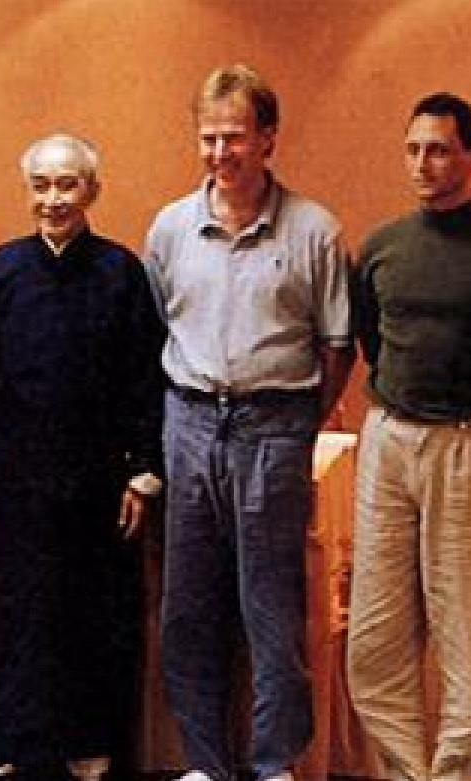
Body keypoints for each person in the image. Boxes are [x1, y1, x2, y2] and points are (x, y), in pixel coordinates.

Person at [144, 64, 354, 781]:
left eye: (234, 137)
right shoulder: (171, 228)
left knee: (270, 608)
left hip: (274, 426)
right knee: (187, 608)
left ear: (268, 137)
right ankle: (206, 763)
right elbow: (158, 329)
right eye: (208, 137)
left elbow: (337, 345)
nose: (219, 152)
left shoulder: (314, 230)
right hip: (189, 423)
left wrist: (297, 423)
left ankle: (272, 764)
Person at [346, 93, 471, 781]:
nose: (422, 164)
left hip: (469, 445)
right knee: (374, 639)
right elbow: (372, 341)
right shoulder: (382, 247)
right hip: (389, 440)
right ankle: (407, 771)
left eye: (438, 150)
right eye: (413, 150)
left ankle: (456, 772)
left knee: (462, 632)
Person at [0, 133, 165, 781]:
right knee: (18, 610)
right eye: (41, 185)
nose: (53, 199)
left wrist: (144, 470)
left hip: (98, 480)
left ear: (91, 190)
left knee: (93, 613)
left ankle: (89, 744)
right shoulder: (2, 269)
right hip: (14, 478)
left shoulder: (122, 272)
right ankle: (16, 743)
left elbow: (146, 378)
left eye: (67, 184)